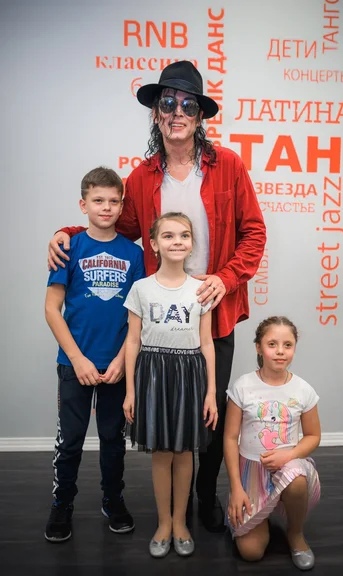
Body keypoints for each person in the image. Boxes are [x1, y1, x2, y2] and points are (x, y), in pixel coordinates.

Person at [47, 60, 267, 533]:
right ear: (156, 113)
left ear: (199, 115)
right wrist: (68, 233)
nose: (177, 112)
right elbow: (115, 227)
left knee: (210, 411)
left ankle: (204, 498)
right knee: (169, 416)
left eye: (187, 105)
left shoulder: (228, 165)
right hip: (159, 320)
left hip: (213, 313)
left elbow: (254, 233)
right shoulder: (142, 177)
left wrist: (226, 278)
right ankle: (169, 513)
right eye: (168, 103)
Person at [44, 167, 145, 543]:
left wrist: (121, 360)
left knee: (112, 440)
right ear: (83, 204)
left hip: (117, 364)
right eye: (98, 200)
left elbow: (138, 317)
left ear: (122, 205)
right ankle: (62, 505)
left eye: (114, 201)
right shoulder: (69, 247)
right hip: (75, 364)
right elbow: (52, 309)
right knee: (70, 441)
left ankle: (112, 500)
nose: (106, 207)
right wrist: (77, 358)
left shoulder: (134, 254)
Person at [123, 212, 218, 558]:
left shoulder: (200, 290)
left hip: (189, 374)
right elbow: (133, 341)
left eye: (184, 235)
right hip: (153, 373)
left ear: (192, 244)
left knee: (184, 451)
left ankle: (180, 522)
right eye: (168, 236)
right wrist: (131, 390)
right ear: (153, 244)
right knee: (162, 453)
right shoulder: (141, 289)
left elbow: (206, 342)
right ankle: (163, 523)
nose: (177, 241)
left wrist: (211, 391)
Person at [224, 316, 321, 570]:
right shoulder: (243, 386)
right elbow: (230, 438)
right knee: (250, 552)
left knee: (296, 478)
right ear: (258, 347)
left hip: (287, 468)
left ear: (294, 348)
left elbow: (313, 436)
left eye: (287, 345)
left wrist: (289, 455)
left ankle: (295, 533)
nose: (280, 351)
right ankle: (261, 513)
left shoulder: (303, 390)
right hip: (251, 472)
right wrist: (236, 487)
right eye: (272, 344)